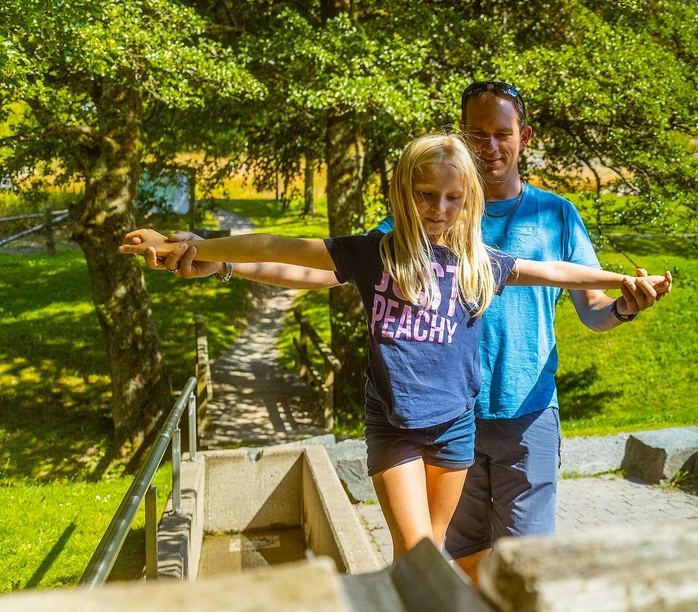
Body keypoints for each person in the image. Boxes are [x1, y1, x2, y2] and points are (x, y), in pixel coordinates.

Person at [138, 81, 664, 584]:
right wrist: (210, 254)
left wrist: (625, 290)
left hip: (517, 420)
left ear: (522, 139)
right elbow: (301, 257)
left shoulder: (534, 227)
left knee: (516, 563)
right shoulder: (399, 238)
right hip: (416, 422)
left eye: (502, 133)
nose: (490, 146)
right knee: (431, 557)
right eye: (476, 134)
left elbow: (572, 289)